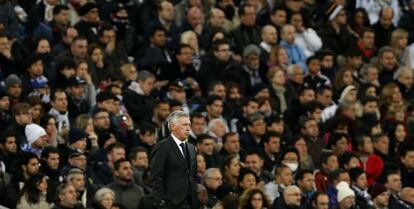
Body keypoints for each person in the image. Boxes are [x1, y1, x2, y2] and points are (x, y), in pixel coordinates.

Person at [150, 110, 199, 209]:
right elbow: (156, 176)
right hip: (170, 203)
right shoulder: (162, 146)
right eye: (184, 125)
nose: (188, 128)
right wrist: (160, 202)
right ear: (173, 127)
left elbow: (192, 175)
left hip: (190, 202)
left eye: (189, 125)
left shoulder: (191, 148)